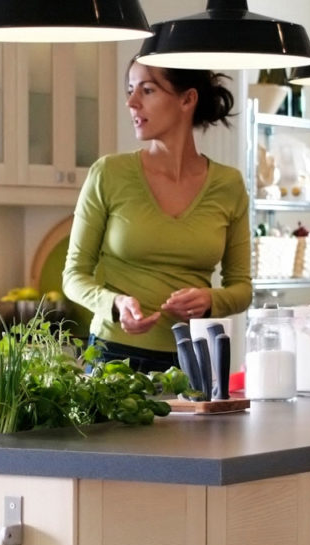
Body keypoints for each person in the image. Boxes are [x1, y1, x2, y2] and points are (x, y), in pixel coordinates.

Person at [61, 61, 252, 372]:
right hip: (113, 356)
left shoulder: (228, 184)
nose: (131, 102)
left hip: (193, 359)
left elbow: (242, 288)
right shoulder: (108, 173)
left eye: (147, 90)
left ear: (187, 99)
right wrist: (114, 304)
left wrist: (210, 300)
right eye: (130, 90)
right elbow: (73, 276)